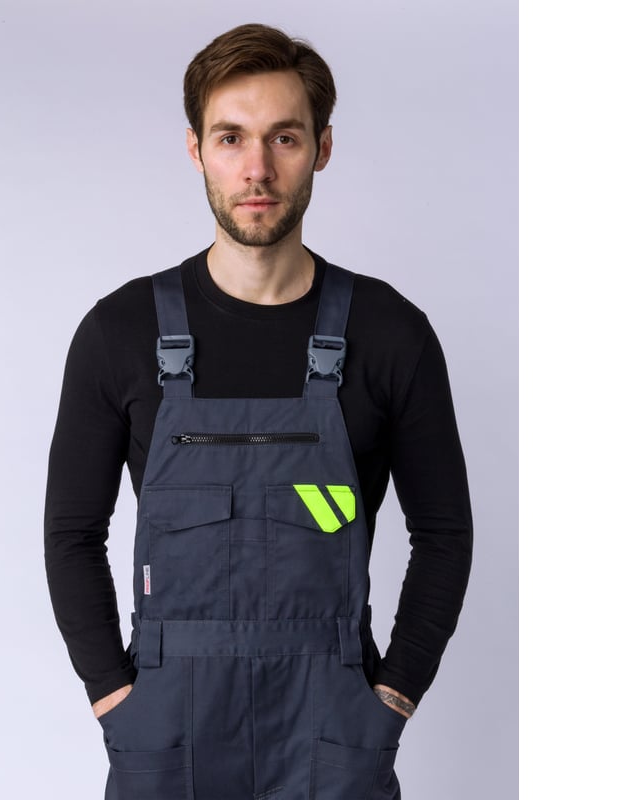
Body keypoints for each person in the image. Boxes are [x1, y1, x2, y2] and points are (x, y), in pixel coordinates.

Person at [44, 22, 473, 800]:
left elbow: (444, 533)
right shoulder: (120, 332)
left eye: (284, 137)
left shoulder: (389, 334)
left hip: (332, 734)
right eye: (231, 137)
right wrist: (113, 697)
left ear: (322, 147)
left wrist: (393, 697)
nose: (257, 169)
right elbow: (71, 533)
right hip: (168, 736)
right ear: (195, 149)